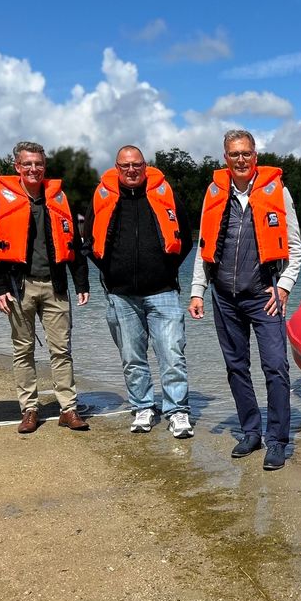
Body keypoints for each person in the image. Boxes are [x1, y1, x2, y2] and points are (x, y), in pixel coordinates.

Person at [188, 130, 301, 470]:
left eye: (246, 154)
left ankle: (278, 440)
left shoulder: (277, 192)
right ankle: (251, 432)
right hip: (224, 297)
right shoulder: (214, 193)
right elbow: (204, 245)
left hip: (265, 296)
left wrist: (283, 287)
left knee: (276, 367)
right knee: (236, 367)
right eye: (234, 154)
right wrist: (198, 290)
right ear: (225, 158)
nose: (241, 160)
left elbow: (295, 248)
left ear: (255, 155)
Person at [85, 145, 194, 437]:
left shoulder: (164, 194)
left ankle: (178, 411)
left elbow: (186, 238)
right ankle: (143, 407)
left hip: (163, 291)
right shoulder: (103, 198)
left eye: (136, 165)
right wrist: (109, 271)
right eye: (125, 166)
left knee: (172, 354)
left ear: (145, 166)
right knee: (132, 358)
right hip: (121, 294)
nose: (131, 170)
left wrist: (168, 269)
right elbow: (89, 243)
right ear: (116, 168)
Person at [0, 141, 90, 433]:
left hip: (55, 285)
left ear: (45, 167)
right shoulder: (1, 199)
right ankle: (29, 409)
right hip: (20, 287)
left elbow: (74, 242)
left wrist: (81, 281)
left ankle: (68, 408)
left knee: (62, 350)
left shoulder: (59, 198)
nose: (34, 169)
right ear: (17, 167)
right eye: (27, 164)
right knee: (23, 350)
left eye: (39, 164)